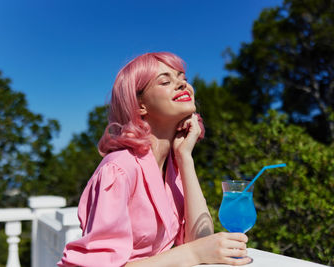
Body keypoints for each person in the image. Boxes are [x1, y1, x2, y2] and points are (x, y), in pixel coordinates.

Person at [57, 52, 251, 267]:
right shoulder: (119, 168)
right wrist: (193, 254)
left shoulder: (172, 168)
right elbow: (198, 249)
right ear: (140, 105)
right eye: (166, 81)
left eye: (183, 79)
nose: (182, 85)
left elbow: (201, 239)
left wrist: (185, 157)